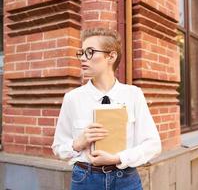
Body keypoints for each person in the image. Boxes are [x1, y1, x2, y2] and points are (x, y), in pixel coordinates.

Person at [51, 28, 162, 190]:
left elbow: (153, 145)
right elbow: (58, 147)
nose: (82, 58)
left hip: (126, 180)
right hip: (85, 180)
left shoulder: (133, 95)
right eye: (81, 53)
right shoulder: (72, 98)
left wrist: (117, 158)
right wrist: (78, 143)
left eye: (89, 52)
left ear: (111, 56)